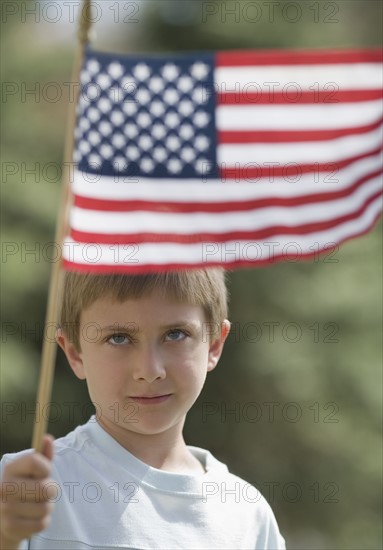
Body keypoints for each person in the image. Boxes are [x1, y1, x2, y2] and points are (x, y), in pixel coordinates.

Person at [0, 269, 286, 549]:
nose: (150, 371)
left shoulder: (247, 514)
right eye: (119, 338)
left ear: (214, 344)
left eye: (175, 334)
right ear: (75, 353)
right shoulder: (25, 492)